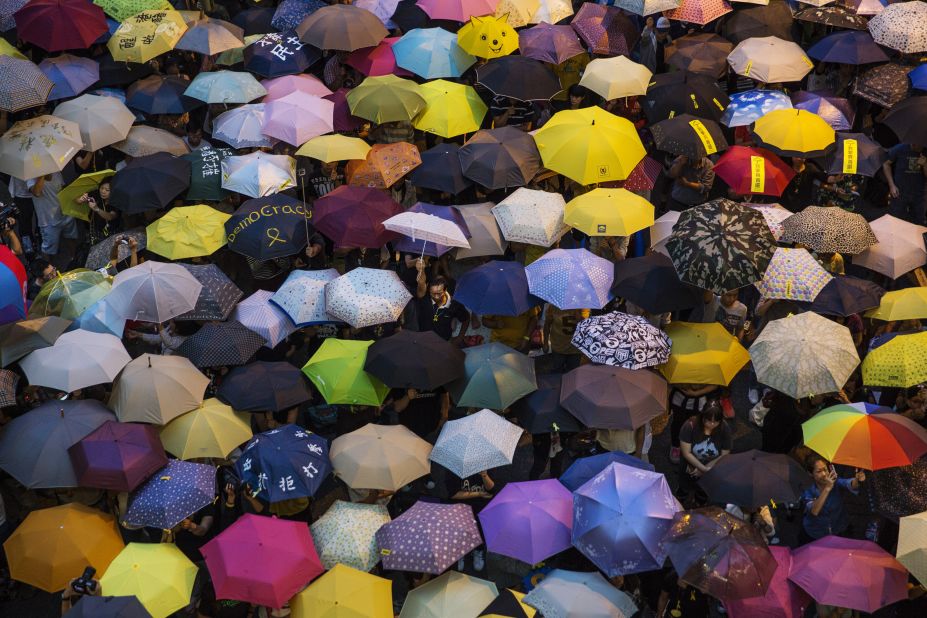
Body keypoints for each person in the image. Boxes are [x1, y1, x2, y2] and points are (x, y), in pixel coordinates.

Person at [800, 453, 865, 543]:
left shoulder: (835, 482)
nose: (824, 474)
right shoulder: (808, 490)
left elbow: (849, 484)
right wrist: (827, 488)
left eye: (825, 470)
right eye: (819, 471)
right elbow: (814, 511)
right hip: (815, 534)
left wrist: (857, 479)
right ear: (810, 473)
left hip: (839, 529)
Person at [678, 403, 732, 504]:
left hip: (712, 467)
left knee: (703, 492)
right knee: (684, 488)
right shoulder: (690, 426)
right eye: (708, 420)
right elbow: (686, 453)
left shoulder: (724, 428)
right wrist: (703, 469)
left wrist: (706, 469)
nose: (711, 424)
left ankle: (700, 503)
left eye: (715, 421)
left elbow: (725, 454)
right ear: (702, 416)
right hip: (689, 466)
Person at [416, 276, 470, 344]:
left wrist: (460, 337)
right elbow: (420, 287)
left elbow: (466, 319)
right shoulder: (424, 299)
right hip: (424, 340)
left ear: (445, 290)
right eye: (432, 293)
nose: (435, 297)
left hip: (444, 341)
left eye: (439, 293)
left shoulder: (454, 304)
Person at [883, 143, 927, 224]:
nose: (914, 145)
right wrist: (891, 185)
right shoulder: (900, 148)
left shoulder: (925, 152)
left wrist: (925, 165)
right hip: (899, 192)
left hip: (919, 194)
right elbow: (886, 164)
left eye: (917, 143)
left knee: (918, 223)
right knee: (894, 221)